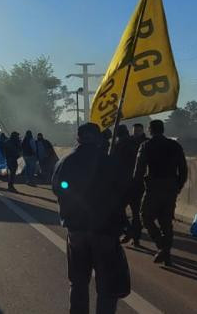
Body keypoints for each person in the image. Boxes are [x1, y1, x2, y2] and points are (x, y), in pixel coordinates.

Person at [52, 124, 130, 314]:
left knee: (78, 282)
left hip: (76, 230)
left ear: (78, 138)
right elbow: (125, 192)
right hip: (105, 231)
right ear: (98, 138)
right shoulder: (109, 161)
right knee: (107, 287)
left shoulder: (66, 161)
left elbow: (57, 188)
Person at [133, 120, 188, 266]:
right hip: (171, 187)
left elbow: (139, 170)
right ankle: (166, 254)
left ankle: (161, 246)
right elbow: (183, 168)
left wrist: (137, 185)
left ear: (150, 130)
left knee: (145, 216)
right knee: (166, 222)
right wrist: (178, 186)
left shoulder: (146, 146)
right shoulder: (175, 145)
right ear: (163, 130)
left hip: (154, 187)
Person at [113, 125, 142, 247]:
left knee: (118, 209)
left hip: (122, 184)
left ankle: (128, 230)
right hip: (137, 182)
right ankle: (136, 238)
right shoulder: (137, 143)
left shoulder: (118, 145)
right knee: (136, 212)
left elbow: (112, 164)